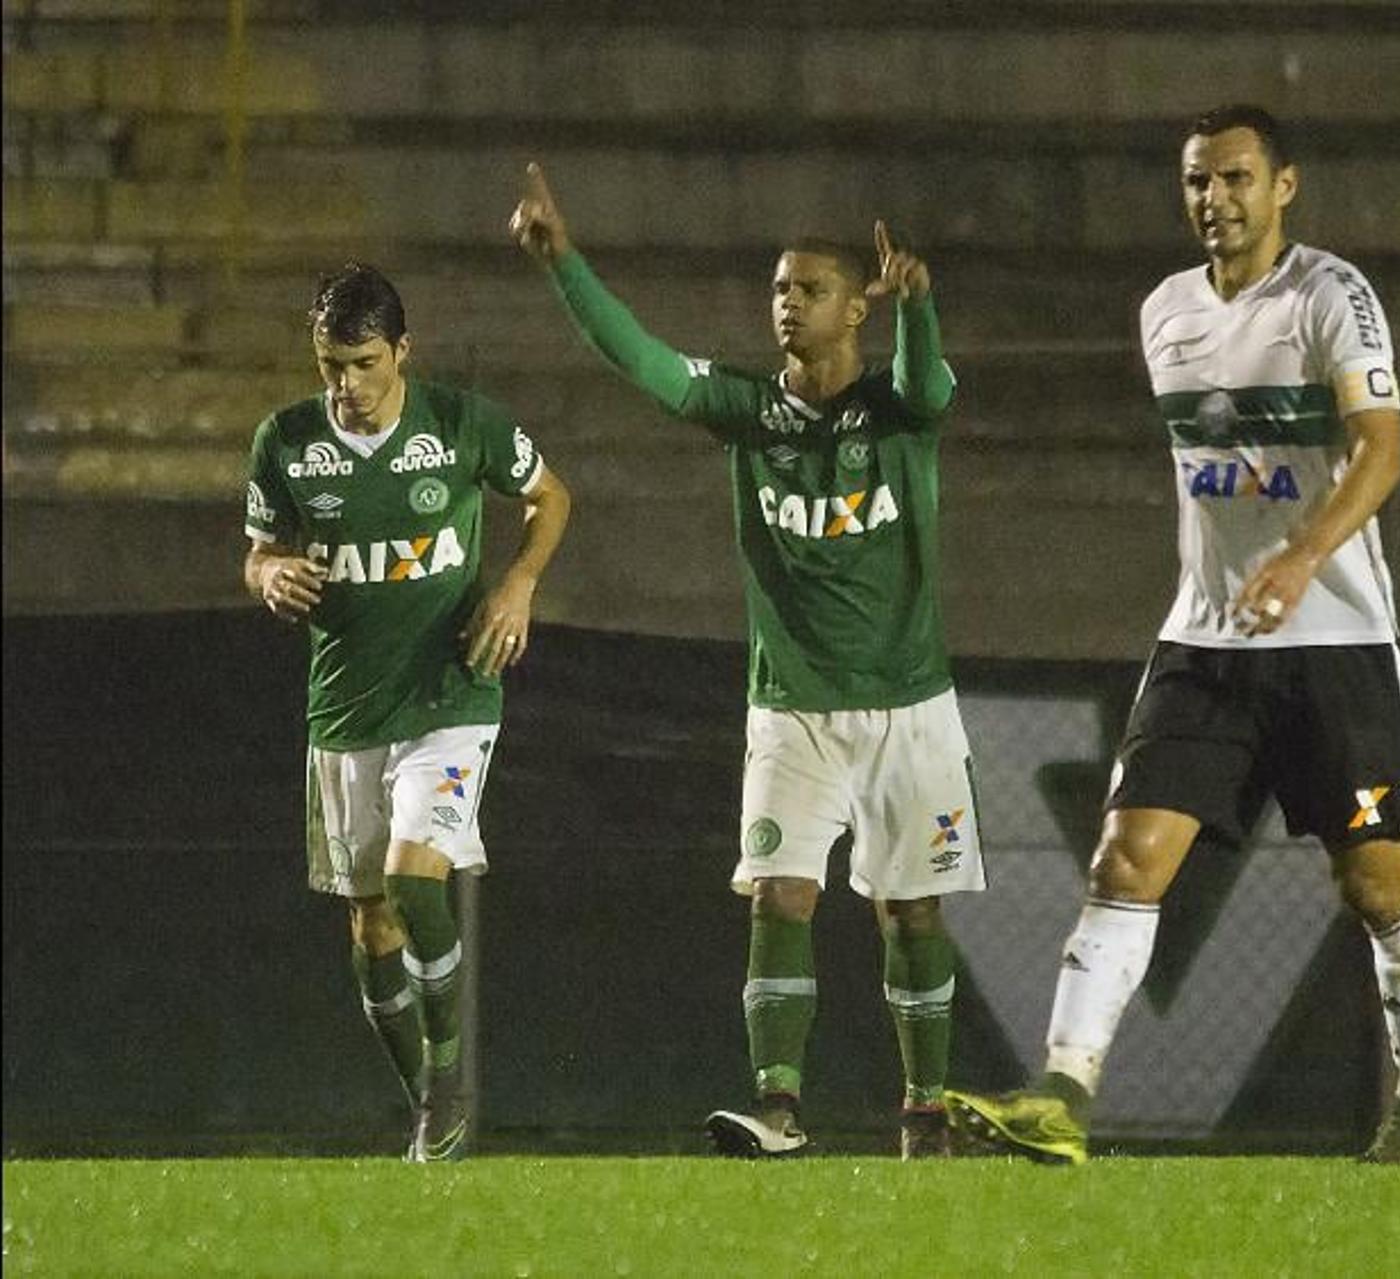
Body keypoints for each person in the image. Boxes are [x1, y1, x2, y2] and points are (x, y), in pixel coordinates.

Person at [945, 103, 1400, 1165]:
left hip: (1336, 646)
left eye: (1233, 179)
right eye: (1196, 183)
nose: (1213, 200)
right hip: (1206, 646)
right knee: (1126, 861)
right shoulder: (1163, 310)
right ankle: (1063, 1093)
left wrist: (1302, 555)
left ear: (1284, 186)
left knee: (1375, 883)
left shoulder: (1331, 295)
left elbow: (1383, 450)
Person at [509, 164, 985, 1160]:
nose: (787, 305)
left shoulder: (897, 409)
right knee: (780, 894)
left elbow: (932, 386)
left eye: (809, 290)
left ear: (859, 307)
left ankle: (926, 1109)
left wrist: (926, 309)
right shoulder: (748, 412)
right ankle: (778, 1105)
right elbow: (639, 360)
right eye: (778, 289)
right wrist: (566, 265)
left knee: (912, 908)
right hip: (793, 706)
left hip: (910, 703)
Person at [242, 262, 572, 1161]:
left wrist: (517, 583)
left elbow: (550, 495)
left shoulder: (462, 425)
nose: (343, 385)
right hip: (346, 704)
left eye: (360, 363)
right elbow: (261, 548)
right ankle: (425, 1103)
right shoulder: (286, 441)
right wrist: (270, 573)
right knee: (370, 922)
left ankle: (446, 1078)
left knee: (416, 876)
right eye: (328, 365)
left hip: (450, 691)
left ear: (401, 352)